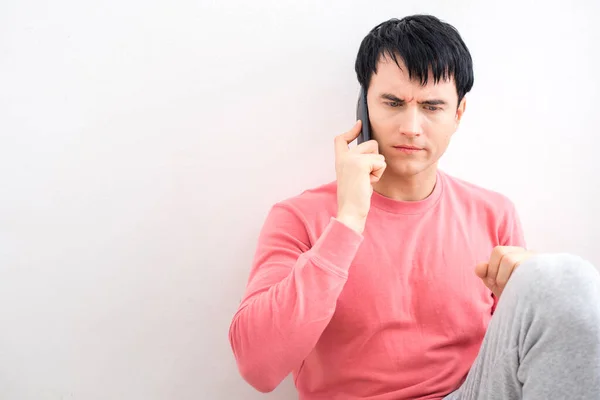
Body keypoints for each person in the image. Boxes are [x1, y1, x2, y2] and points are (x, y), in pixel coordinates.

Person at [228, 14, 600, 400]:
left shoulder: (494, 213)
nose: (411, 126)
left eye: (432, 106)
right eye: (392, 102)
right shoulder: (299, 218)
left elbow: (517, 357)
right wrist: (349, 219)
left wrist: (533, 287)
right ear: (364, 107)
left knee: (564, 277)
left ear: (457, 114)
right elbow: (258, 368)